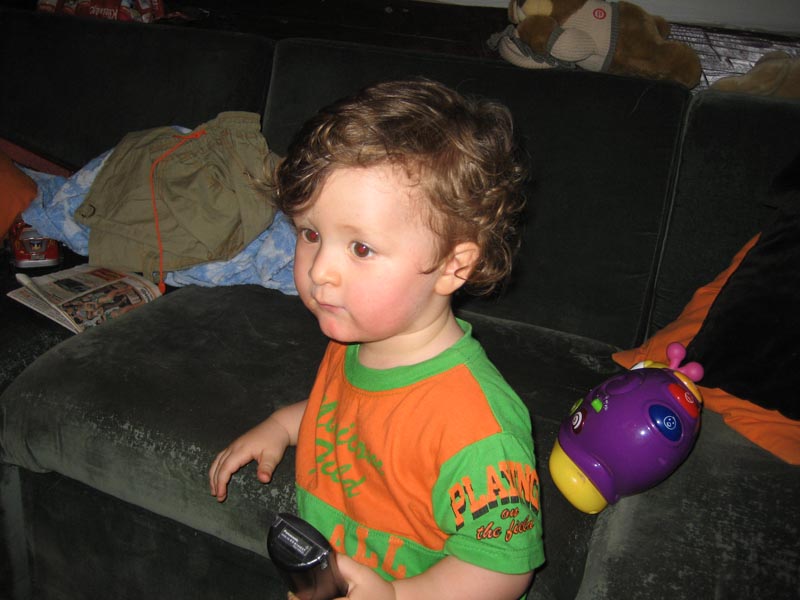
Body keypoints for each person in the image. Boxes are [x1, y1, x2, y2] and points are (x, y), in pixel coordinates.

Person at [209, 78, 545, 600]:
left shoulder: (480, 428)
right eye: (310, 234)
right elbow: (350, 416)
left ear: (453, 266)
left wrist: (394, 596)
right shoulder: (356, 342)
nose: (319, 271)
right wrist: (282, 425)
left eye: (360, 248)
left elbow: (501, 571)